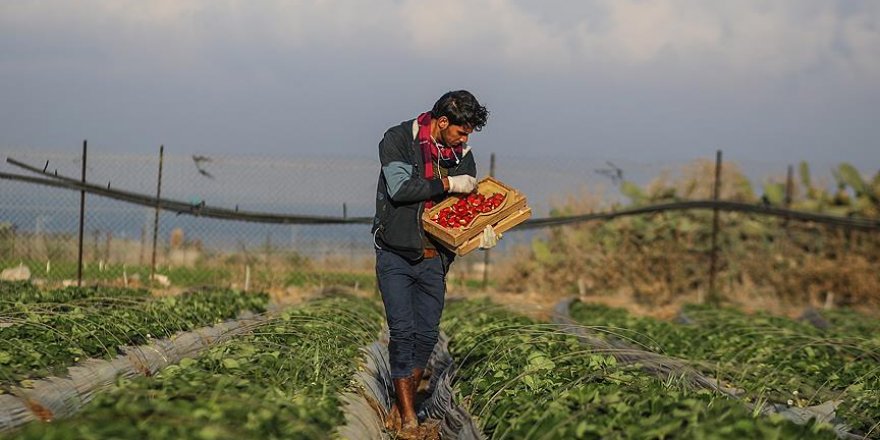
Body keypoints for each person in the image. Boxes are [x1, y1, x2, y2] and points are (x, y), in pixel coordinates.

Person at [372, 90, 489, 436]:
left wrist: (479, 236)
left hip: (434, 256)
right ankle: (409, 417)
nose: (464, 139)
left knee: (426, 335)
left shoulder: (462, 155)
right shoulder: (397, 140)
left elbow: (459, 214)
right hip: (394, 250)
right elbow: (400, 189)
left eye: (468, 133)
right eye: (461, 131)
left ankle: (401, 400)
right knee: (402, 331)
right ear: (442, 122)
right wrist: (449, 182)